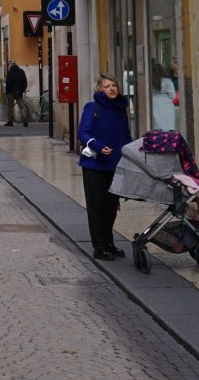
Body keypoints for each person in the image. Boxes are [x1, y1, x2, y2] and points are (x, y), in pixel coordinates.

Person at [78, 74, 130, 260]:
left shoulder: (120, 108)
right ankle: (99, 246)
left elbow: (125, 136)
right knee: (97, 206)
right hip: (95, 165)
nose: (111, 89)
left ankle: (109, 242)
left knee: (111, 206)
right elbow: (83, 132)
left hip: (115, 165)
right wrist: (99, 147)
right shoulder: (93, 107)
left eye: (114, 85)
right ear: (100, 89)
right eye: (107, 86)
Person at [4, 60, 30, 127]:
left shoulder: (10, 72)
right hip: (19, 92)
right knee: (21, 106)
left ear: (11, 65)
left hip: (10, 92)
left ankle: (10, 121)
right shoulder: (22, 71)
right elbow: (25, 82)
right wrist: (22, 89)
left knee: (10, 107)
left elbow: (8, 83)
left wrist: (7, 91)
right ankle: (25, 120)